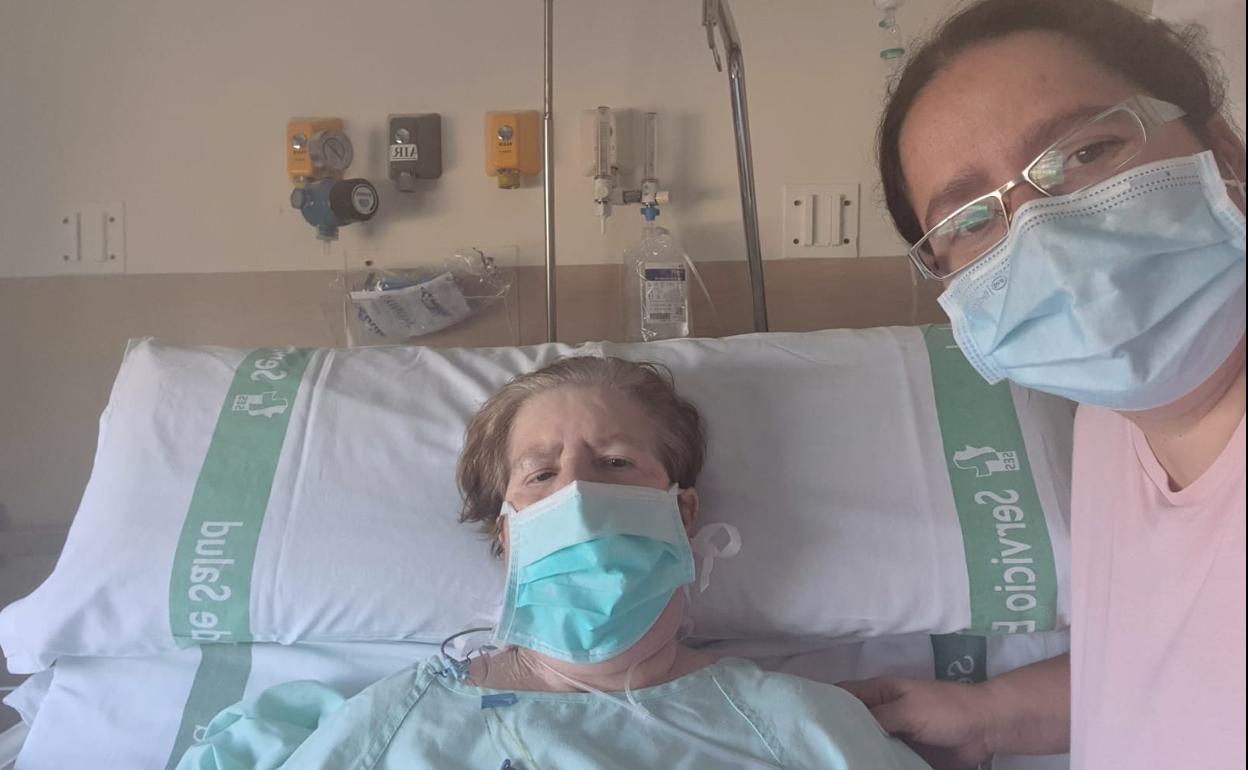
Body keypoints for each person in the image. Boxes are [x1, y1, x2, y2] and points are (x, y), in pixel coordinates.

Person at [840, 1, 1246, 768]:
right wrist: (987, 716)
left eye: (1085, 152)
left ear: (1222, 150)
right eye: (969, 221)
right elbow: (1169, 675)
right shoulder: (1110, 420)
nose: (1043, 234)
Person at [177, 356, 930, 770]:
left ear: (682, 512)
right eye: (540, 474)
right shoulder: (397, 726)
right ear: (506, 535)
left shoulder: (796, 728)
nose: (576, 493)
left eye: (615, 463)